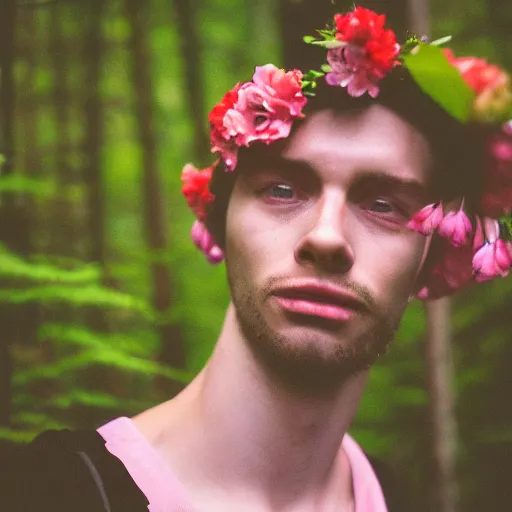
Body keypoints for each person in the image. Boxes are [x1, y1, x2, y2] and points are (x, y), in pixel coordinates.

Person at [3, 6, 512, 512]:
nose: (327, 237)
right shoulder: (48, 493)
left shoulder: (392, 497)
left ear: (434, 250)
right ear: (219, 219)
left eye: (383, 205)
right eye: (282, 189)